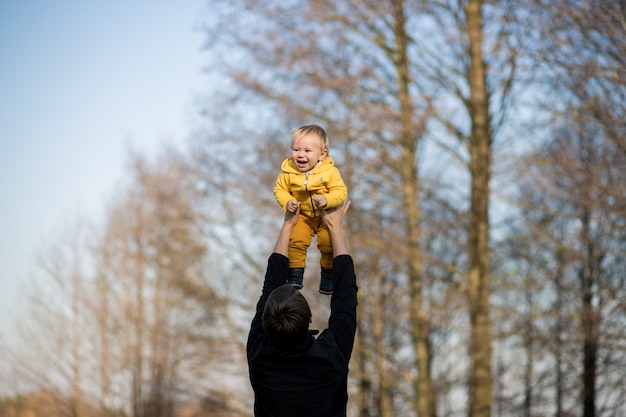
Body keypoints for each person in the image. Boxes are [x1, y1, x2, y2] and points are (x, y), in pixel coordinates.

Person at [247, 201, 357, 417]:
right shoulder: (331, 357)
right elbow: (346, 299)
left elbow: (347, 298)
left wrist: (289, 224)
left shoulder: (260, 356)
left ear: (266, 322)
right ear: (310, 319)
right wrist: (335, 228)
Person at [274, 125, 348, 294]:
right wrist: (288, 201)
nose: (300, 155)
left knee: (327, 242)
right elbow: (279, 190)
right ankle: (295, 274)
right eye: (296, 149)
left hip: (325, 215)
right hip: (303, 214)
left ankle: (328, 273)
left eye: (307, 151)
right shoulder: (288, 172)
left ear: (322, 154)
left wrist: (327, 199)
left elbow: (340, 191)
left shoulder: (329, 172)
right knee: (296, 241)